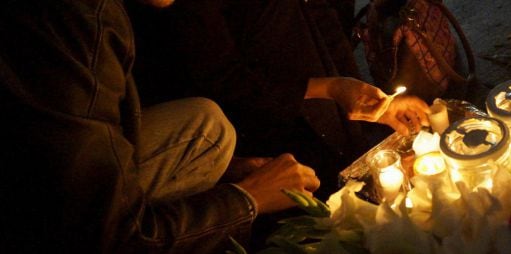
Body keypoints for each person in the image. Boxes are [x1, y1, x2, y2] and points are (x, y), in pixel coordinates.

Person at [0, 0, 326, 252]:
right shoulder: (77, 19)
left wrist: (229, 171)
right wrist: (248, 199)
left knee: (205, 127)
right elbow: (106, 237)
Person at [126, 0, 431, 199]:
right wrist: (330, 88)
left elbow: (322, 17)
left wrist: (366, 97)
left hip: (319, 85)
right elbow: (222, 77)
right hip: (261, 123)